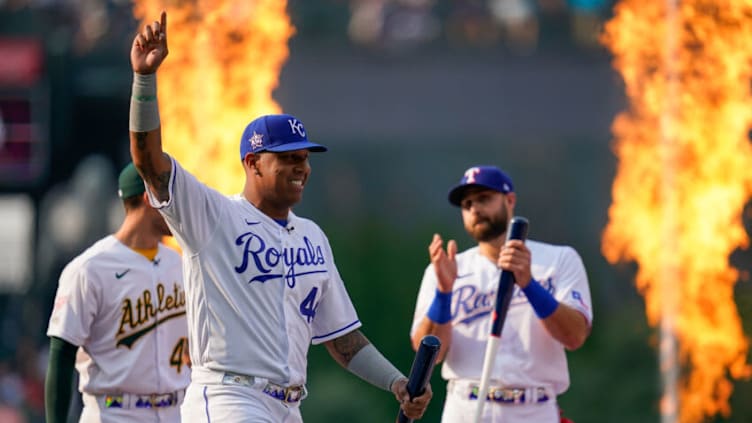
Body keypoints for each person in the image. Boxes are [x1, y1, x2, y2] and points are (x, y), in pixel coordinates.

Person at [128, 11, 431, 422]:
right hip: (230, 396)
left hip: (289, 405)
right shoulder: (213, 215)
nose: (302, 168)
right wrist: (145, 81)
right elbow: (150, 163)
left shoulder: (312, 236)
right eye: (288, 158)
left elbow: (343, 340)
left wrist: (396, 382)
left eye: (304, 158)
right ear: (252, 163)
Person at [410, 165, 592, 422]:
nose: (474, 208)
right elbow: (429, 354)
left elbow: (574, 336)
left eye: (484, 198)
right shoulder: (446, 268)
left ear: (510, 200)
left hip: (533, 408)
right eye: (467, 204)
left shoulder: (558, 259)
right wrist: (444, 293)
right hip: (467, 406)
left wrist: (529, 284)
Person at [45, 162, 190, 423]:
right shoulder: (89, 268)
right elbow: (62, 354)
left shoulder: (181, 264)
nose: (178, 208)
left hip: (175, 412)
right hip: (114, 412)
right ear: (149, 199)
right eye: (171, 198)